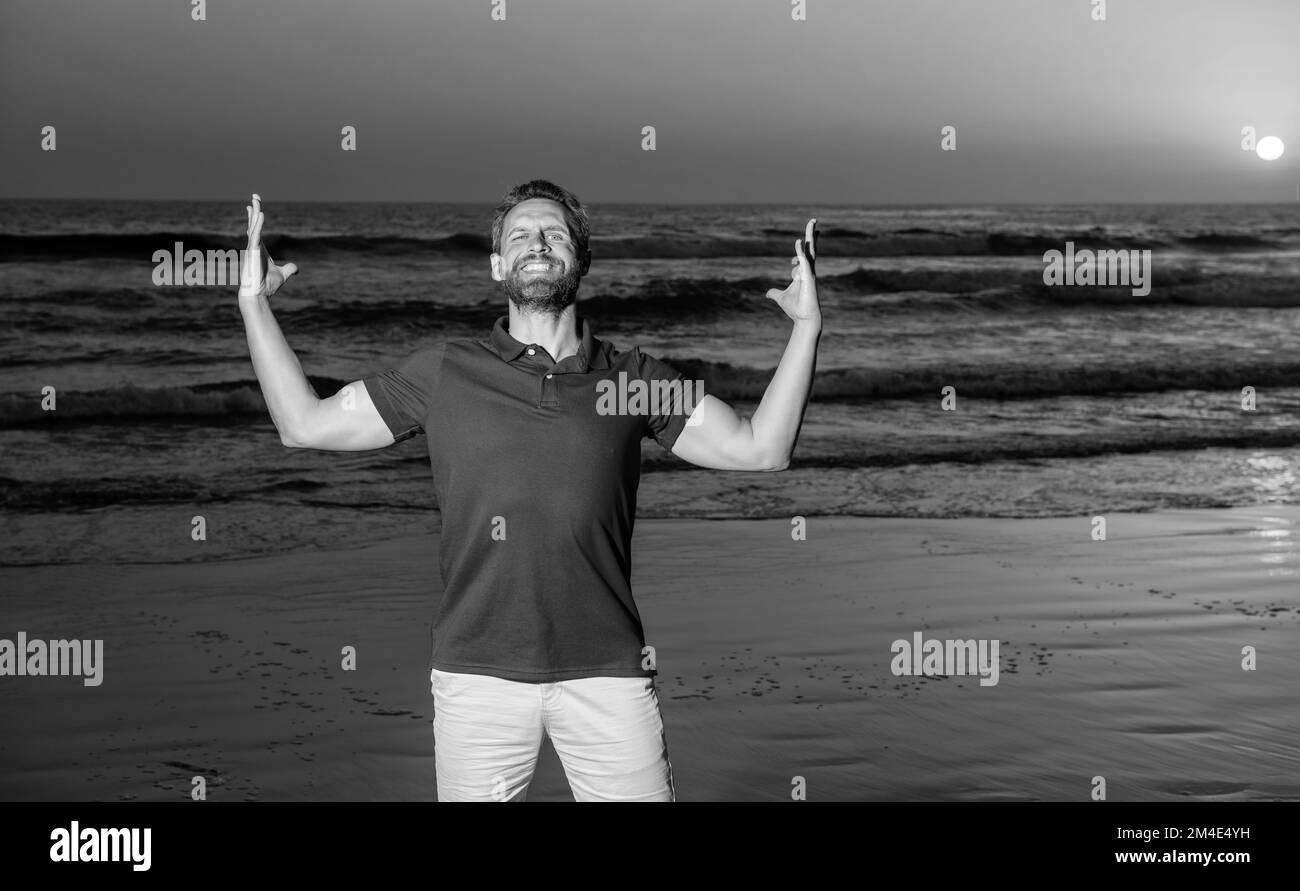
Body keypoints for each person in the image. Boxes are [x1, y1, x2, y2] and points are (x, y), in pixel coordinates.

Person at [236, 180, 821, 801]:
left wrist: (807, 327)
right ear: (497, 265)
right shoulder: (444, 372)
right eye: (519, 235)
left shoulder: (632, 380)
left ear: (581, 259)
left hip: (610, 675)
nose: (537, 244)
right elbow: (303, 426)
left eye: (554, 234)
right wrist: (253, 302)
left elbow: (763, 449)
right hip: (477, 675)